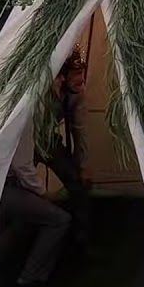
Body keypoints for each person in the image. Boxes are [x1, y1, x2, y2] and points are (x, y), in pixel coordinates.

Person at [0, 142, 71, 286]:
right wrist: (44, 192)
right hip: (3, 189)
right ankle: (31, 276)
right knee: (60, 219)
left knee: (25, 218)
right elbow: (22, 166)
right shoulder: (23, 122)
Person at [40, 55, 92, 248]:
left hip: (49, 140)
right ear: (61, 75)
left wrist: (83, 166)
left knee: (77, 182)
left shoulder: (77, 93)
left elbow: (80, 129)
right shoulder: (43, 89)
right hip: (29, 139)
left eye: (82, 73)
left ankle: (81, 238)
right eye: (76, 74)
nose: (81, 79)